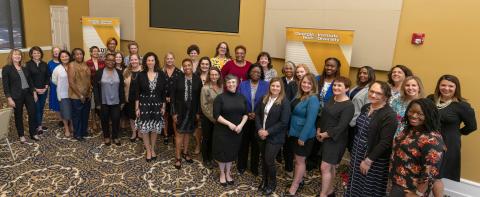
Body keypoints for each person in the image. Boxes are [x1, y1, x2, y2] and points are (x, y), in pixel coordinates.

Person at [344, 81, 397, 197]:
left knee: (368, 187)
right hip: (358, 152)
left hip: (374, 157)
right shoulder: (366, 107)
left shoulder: (389, 115)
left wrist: (368, 160)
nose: (373, 95)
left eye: (378, 93)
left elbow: (385, 142)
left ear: (386, 97)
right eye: (371, 91)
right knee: (354, 181)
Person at [428, 75, 477, 194]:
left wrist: (456, 133)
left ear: (456, 88)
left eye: (451, 86)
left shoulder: (462, 106)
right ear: (438, 86)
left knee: (436, 175)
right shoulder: (430, 99)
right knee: (425, 172)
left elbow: (472, 126)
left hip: (448, 144)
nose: (446, 88)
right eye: (443, 85)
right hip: (428, 140)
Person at [390, 98, 446, 197]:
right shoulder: (409, 129)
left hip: (411, 188)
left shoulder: (432, 139)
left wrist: (418, 193)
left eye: (420, 113)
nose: (414, 116)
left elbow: (430, 172)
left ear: (428, 115)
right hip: (397, 180)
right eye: (411, 111)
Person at [316, 76, 354, 197]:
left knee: (324, 167)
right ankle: (330, 191)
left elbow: (341, 127)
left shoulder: (349, 105)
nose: (336, 87)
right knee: (330, 167)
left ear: (347, 88)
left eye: (339, 86)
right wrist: (318, 129)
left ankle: (323, 194)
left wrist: (325, 134)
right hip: (324, 136)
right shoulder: (332, 98)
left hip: (336, 140)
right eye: (334, 85)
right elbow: (324, 116)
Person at [285, 73, 320, 196]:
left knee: (300, 161)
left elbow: (311, 120)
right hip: (294, 133)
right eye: (304, 82)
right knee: (298, 160)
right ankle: (300, 180)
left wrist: (302, 137)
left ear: (313, 85)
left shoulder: (313, 99)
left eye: (309, 83)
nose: (306, 85)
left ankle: (295, 186)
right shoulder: (300, 95)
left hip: (303, 136)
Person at [255, 77, 291, 195]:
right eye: (273, 86)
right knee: (263, 158)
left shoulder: (284, 102)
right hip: (262, 134)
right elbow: (258, 115)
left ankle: (272, 183)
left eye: (277, 86)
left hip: (275, 137)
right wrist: (260, 129)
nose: (275, 88)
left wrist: (268, 132)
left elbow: (284, 122)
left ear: (281, 88)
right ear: (269, 87)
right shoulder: (264, 98)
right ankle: (264, 181)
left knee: (269, 160)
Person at [212, 74, 248, 187]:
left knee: (231, 153)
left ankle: (228, 173)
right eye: (229, 82)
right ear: (225, 85)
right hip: (223, 131)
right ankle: (222, 174)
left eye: (233, 82)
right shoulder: (220, 98)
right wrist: (229, 124)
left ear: (237, 83)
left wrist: (241, 125)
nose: (231, 84)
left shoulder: (242, 97)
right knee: (223, 154)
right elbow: (216, 115)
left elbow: (245, 114)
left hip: (237, 131)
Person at [238, 63, 269, 175]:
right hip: (245, 118)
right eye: (253, 71)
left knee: (256, 145)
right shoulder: (243, 84)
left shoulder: (266, 85)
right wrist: (247, 113)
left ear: (261, 74)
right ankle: (241, 165)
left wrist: (256, 114)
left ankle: (254, 167)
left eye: (258, 72)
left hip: (259, 119)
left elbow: (267, 102)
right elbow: (239, 100)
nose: (256, 74)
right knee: (243, 143)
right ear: (249, 72)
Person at [2, 49, 39, 143]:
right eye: (15, 54)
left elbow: (30, 81)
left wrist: (34, 92)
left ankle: (33, 133)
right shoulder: (7, 68)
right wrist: (9, 98)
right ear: (11, 56)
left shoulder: (24, 67)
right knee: (18, 115)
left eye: (19, 55)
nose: (17, 56)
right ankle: (21, 135)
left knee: (32, 112)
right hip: (16, 95)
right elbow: (5, 85)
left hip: (28, 93)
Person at [172, 59, 203, 169]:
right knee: (179, 134)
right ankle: (178, 157)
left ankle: (185, 153)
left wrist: (198, 112)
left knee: (188, 133)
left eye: (189, 65)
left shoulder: (197, 79)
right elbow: (173, 97)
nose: (187, 67)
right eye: (184, 66)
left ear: (192, 66)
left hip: (193, 112)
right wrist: (174, 113)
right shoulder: (177, 79)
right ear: (182, 67)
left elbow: (200, 97)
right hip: (180, 112)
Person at [135, 52, 166, 162]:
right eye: (148, 60)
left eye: (152, 60)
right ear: (145, 62)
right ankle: (148, 150)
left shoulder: (161, 74)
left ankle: (152, 148)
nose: (150, 62)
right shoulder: (141, 74)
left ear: (155, 62)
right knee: (144, 129)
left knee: (154, 129)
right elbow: (137, 93)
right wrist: (137, 108)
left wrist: (163, 107)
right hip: (144, 105)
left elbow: (163, 92)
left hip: (157, 105)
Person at [93, 53, 125, 146]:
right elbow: (95, 88)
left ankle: (115, 136)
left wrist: (122, 101)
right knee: (104, 119)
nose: (110, 62)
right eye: (108, 60)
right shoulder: (99, 72)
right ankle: (106, 136)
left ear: (115, 61)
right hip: (103, 101)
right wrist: (97, 102)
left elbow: (121, 88)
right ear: (105, 61)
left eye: (112, 60)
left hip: (116, 101)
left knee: (116, 119)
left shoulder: (119, 73)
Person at [284, 63, 310, 177]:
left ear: (306, 72)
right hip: (291, 120)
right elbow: (287, 102)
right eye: (298, 72)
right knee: (289, 147)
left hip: (305, 122)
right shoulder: (292, 84)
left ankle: (301, 168)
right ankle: (289, 168)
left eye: (302, 72)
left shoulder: (310, 85)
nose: (299, 74)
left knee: (302, 148)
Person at [347, 66, 376, 151]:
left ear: (370, 75)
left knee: (354, 148)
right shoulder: (357, 87)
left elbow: (368, 108)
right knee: (349, 147)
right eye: (360, 73)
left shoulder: (371, 89)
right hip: (349, 121)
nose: (361, 75)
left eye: (365, 73)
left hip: (357, 124)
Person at [200, 67, 223, 168]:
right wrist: (213, 119)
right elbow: (204, 106)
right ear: (209, 76)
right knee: (207, 138)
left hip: (220, 118)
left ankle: (212, 158)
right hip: (208, 118)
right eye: (212, 74)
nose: (214, 76)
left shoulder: (222, 87)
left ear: (219, 76)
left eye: (216, 74)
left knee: (215, 139)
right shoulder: (205, 88)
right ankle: (206, 159)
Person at [68, 48, 92, 141]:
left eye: (81, 54)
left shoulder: (85, 64)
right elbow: (71, 82)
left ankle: (83, 131)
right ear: (73, 56)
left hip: (86, 95)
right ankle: (77, 134)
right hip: (76, 96)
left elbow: (88, 79)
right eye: (77, 54)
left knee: (85, 114)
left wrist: (89, 92)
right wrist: (80, 95)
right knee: (77, 115)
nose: (79, 56)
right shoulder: (71, 65)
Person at [25, 46, 50, 134]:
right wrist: (34, 90)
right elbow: (28, 79)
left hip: (44, 90)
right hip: (33, 91)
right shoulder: (27, 64)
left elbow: (48, 76)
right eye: (34, 53)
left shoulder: (44, 64)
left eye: (38, 53)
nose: (36, 54)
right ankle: (39, 126)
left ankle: (38, 123)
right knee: (36, 108)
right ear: (31, 54)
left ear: (41, 54)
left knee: (41, 108)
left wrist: (46, 87)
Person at [51, 50, 74, 137]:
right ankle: (66, 128)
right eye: (62, 56)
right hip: (63, 93)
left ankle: (72, 126)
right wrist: (62, 86)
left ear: (69, 56)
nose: (65, 58)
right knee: (65, 112)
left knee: (73, 110)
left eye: (66, 56)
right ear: (60, 58)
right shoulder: (57, 69)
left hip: (74, 93)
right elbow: (54, 80)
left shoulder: (73, 66)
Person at [162, 52, 183, 145]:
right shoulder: (161, 71)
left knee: (175, 118)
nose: (169, 60)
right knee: (165, 117)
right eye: (168, 58)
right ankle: (166, 135)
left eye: (171, 58)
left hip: (175, 100)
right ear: (165, 60)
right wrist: (164, 98)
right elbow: (159, 86)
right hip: (163, 99)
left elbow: (181, 87)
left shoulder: (179, 72)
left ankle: (175, 136)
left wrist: (172, 98)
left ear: (174, 59)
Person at [193, 56, 211, 154]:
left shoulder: (213, 76)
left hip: (210, 106)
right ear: (200, 65)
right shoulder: (195, 76)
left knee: (208, 127)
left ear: (209, 65)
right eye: (202, 64)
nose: (204, 66)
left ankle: (207, 146)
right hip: (198, 105)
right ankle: (198, 145)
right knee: (198, 127)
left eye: (207, 64)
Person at [123, 54, 143, 142]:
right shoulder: (126, 71)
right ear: (130, 61)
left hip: (142, 98)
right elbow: (123, 85)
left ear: (139, 60)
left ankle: (140, 133)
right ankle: (134, 133)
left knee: (141, 116)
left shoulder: (144, 70)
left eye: (136, 59)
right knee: (132, 116)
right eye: (132, 59)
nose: (134, 61)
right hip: (130, 97)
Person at [86, 46, 105, 133]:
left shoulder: (102, 62)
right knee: (93, 105)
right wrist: (90, 85)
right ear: (90, 53)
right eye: (94, 51)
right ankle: (93, 121)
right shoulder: (87, 63)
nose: (96, 53)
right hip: (92, 87)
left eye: (97, 51)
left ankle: (101, 121)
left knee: (102, 104)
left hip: (102, 87)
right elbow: (86, 76)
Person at [47, 47, 62, 126]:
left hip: (64, 85)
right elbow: (48, 75)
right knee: (56, 102)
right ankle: (60, 119)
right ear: (52, 53)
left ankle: (67, 117)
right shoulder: (50, 63)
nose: (56, 53)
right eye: (54, 51)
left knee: (65, 102)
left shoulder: (64, 61)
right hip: (54, 85)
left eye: (57, 51)